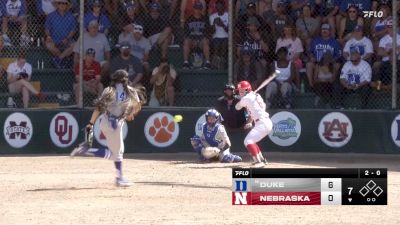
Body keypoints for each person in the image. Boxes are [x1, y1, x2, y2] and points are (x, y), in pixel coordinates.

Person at [70, 69, 147, 187]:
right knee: (115, 154)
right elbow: (137, 106)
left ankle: (119, 177)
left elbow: (98, 108)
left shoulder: (108, 90)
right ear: (126, 80)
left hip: (105, 122)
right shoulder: (131, 91)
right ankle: (87, 151)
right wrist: (131, 114)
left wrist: (91, 123)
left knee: (118, 152)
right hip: (114, 124)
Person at [235, 80, 273, 167]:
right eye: (239, 90)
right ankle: (262, 159)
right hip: (264, 122)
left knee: (248, 141)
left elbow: (237, 107)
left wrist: (242, 98)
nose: (240, 92)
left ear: (248, 90)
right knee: (252, 141)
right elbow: (261, 107)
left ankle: (259, 162)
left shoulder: (247, 98)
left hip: (262, 123)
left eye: (242, 90)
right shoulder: (256, 96)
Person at [44, 0, 77, 69]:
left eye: (64, 3)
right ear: (57, 5)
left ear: (67, 5)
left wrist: (67, 38)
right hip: (54, 40)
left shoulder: (71, 16)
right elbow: (47, 29)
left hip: (67, 40)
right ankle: (63, 59)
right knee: (48, 45)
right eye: (60, 3)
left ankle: (58, 59)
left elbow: (73, 30)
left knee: (75, 45)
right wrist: (49, 36)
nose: (62, 5)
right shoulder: (51, 16)